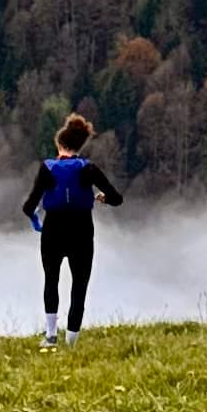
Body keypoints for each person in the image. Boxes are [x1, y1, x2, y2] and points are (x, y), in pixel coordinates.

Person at [23, 112, 123, 343]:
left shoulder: (48, 168)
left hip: (53, 230)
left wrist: (36, 219)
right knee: (79, 285)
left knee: (51, 280)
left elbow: (29, 206)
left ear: (60, 145)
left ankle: (50, 335)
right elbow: (117, 198)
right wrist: (103, 198)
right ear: (79, 145)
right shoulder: (88, 168)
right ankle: (71, 340)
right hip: (82, 231)